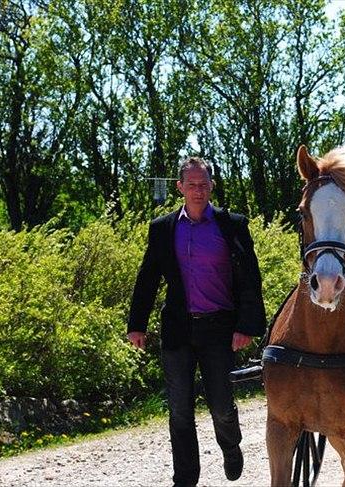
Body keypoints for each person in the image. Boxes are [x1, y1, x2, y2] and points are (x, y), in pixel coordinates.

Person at [127, 156, 266, 487]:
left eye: (204, 185)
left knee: (221, 406)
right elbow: (148, 278)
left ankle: (231, 448)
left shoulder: (231, 225)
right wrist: (137, 324)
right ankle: (185, 480)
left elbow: (250, 278)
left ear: (211, 187)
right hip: (178, 329)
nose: (198, 191)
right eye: (191, 185)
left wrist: (246, 326)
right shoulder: (162, 229)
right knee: (180, 411)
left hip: (219, 328)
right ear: (180, 188)